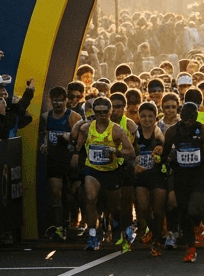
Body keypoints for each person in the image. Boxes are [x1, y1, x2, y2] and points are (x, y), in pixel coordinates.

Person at [70, 96, 133, 251]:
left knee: (114, 206)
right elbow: (78, 143)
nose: (101, 115)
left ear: (110, 112)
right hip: (93, 170)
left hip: (111, 171)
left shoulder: (116, 130)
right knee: (90, 198)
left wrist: (116, 152)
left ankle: (116, 226)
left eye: (105, 112)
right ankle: (92, 235)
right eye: (98, 112)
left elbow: (130, 151)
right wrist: (76, 152)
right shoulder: (87, 128)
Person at [160, 101, 204, 263]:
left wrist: (203, 160)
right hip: (181, 174)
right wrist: (171, 159)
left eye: (191, 118)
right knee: (184, 210)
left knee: (194, 208)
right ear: (180, 115)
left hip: (199, 173)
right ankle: (191, 247)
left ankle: (200, 223)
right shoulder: (172, 131)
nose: (188, 121)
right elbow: (164, 154)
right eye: (185, 118)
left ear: (196, 116)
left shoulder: (203, 129)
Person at [38, 86, 81, 241]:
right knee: (55, 193)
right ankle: (59, 226)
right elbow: (45, 133)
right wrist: (44, 144)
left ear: (66, 100)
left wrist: (73, 144)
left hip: (69, 160)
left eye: (61, 101)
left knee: (71, 193)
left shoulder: (73, 117)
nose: (57, 104)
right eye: (54, 100)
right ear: (51, 100)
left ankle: (72, 223)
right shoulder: (45, 116)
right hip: (53, 160)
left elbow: (82, 136)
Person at [133, 101, 168, 256]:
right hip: (141, 176)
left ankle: (158, 238)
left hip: (157, 176)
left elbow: (166, 152)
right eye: (143, 116)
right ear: (139, 117)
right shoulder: (135, 132)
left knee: (159, 209)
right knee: (144, 207)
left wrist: (161, 151)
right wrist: (133, 163)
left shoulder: (158, 131)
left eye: (150, 116)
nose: (146, 120)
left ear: (155, 117)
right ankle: (155, 233)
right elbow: (128, 152)